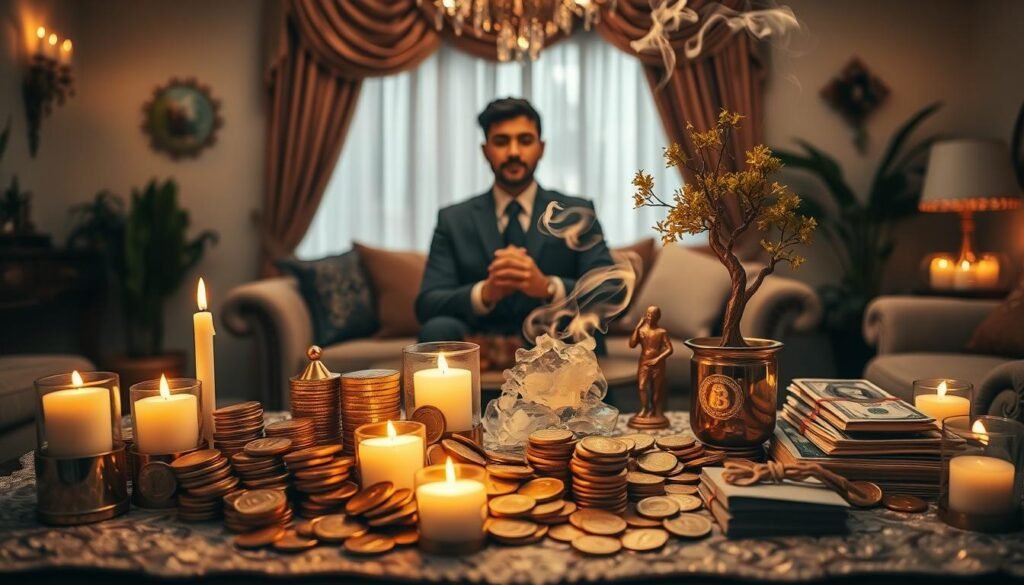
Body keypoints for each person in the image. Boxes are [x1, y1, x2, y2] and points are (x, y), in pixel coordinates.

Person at [415, 98, 614, 347]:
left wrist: (548, 288)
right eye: (501, 142)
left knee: (579, 328)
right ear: (485, 150)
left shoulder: (576, 212)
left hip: (554, 340)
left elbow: (611, 292)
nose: (513, 152)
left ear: (541, 148)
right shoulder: (453, 219)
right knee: (436, 330)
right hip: (478, 341)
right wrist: (485, 292)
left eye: (525, 140)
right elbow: (427, 304)